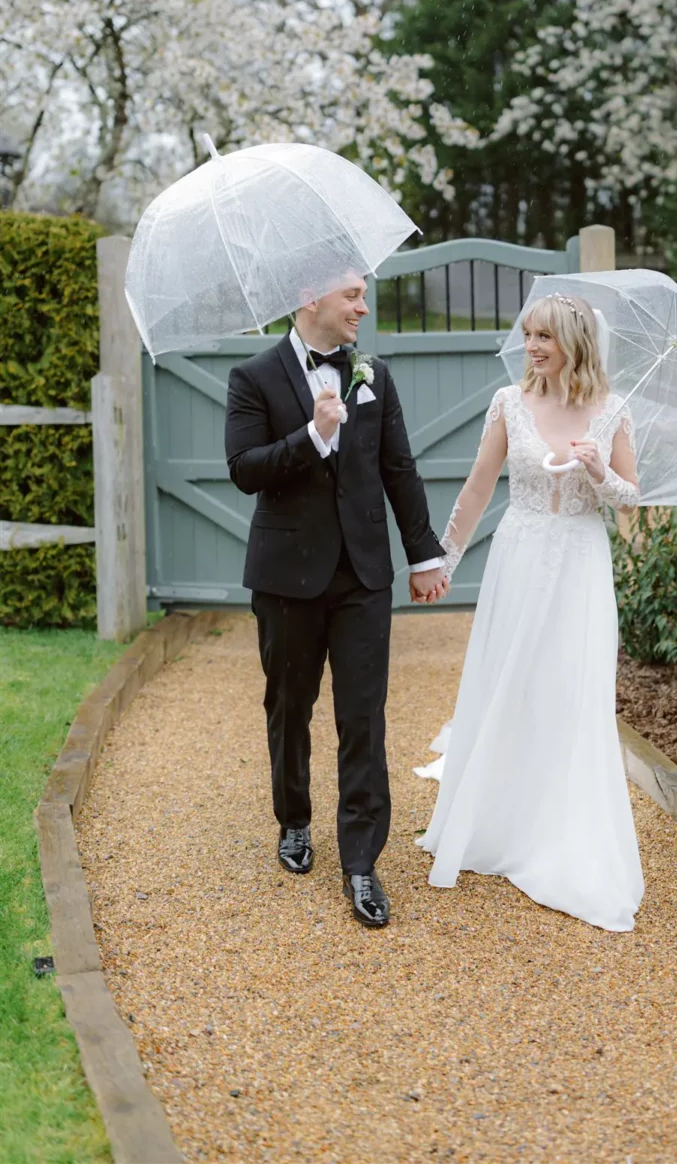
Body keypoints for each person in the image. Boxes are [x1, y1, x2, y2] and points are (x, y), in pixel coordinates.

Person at [224, 271, 448, 929]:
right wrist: (314, 436)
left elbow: (397, 468)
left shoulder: (373, 373)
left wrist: (424, 554)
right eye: (351, 296)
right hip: (286, 576)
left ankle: (360, 861)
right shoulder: (253, 377)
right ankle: (293, 820)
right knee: (290, 707)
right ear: (309, 299)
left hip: (363, 575)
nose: (363, 306)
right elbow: (244, 469)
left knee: (363, 716)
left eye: (362, 294)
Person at [418, 292, 644, 932]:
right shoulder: (508, 405)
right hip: (517, 557)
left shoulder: (613, 413)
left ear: (574, 342)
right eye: (528, 335)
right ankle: (498, 818)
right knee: (509, 683)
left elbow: (630, 499)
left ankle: (560, 827)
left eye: (544, 336)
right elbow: (478, 485)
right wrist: (444, 560)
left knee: (567, 688)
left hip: (578, 562)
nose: (532, 346)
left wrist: (599, 470)